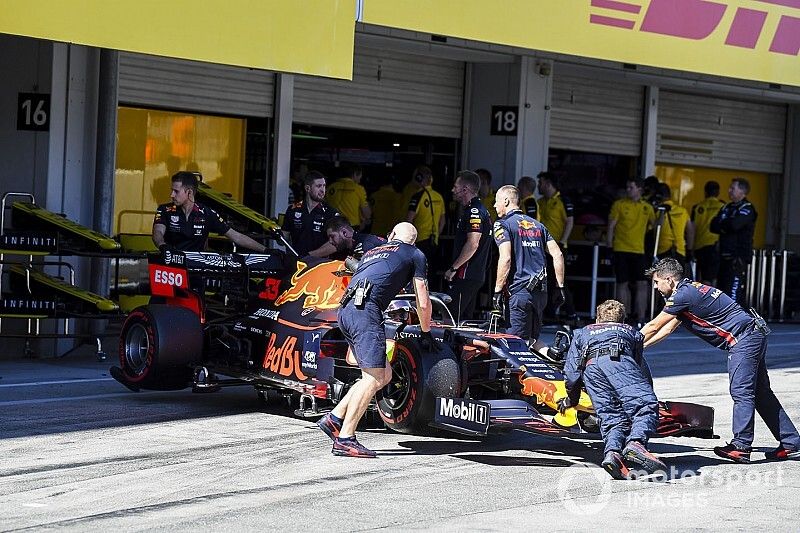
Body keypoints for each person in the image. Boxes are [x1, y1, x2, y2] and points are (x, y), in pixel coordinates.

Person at [641, 257, 800, 463]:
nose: (655, 287)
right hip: (752, 334)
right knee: (761, 394)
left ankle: (741, 446)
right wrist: (640, 347)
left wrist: (628, 342)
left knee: (742, 392)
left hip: (743, 339)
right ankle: (790, 443)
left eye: (656, 282)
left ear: (669, 279)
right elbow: (668, 328)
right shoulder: (690, 290)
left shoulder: (683, 295)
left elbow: (654, 325)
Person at [316, 222, 437, 458]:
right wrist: (425, 331)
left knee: (384, 374)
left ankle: (334, 418)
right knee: (373, 377)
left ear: (391, 235)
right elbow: (422, 301)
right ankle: (345, 438)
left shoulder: (373, 252)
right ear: (414, 240)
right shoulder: (415, 253)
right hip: (365, 312)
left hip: (345, 311)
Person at [559, 299, 665, 479]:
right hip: (620, 361)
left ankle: (613, 454)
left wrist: (572, 400)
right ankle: (636, 443)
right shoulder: (631, 332)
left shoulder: (582, 333)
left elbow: (571, 373)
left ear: (597, 319)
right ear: (622, 320)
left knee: (611, 417)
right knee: (646, 406)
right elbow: (640, 367)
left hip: (592, 370)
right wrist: (649, 394)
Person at [492, 185, 565, 352]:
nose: (495, 206)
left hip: (519, 292)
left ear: (506, 201)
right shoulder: (538, 226)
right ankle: (555, 359)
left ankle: (516, 377)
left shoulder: (502, 225)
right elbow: (558, 255)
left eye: (496, 202)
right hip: (541, 293)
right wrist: (560, 287)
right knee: (533, 341)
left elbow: (506, 257)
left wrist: (497, 291)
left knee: (516, 344)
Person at [152, 171, 267, 253]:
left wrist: (265, 249)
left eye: (176, 191)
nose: (171, 195)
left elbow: (236, 236)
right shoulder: (164, 210)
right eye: (172, 190)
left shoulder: (207, 213)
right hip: (170, 268)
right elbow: (158, 232)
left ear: (189, 192)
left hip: (196, 269)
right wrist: (162, 245)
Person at [444, 170, 492, 322]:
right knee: (464, 321)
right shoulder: (476, 210)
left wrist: (454, 268)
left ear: (465, 189)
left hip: (466, 274)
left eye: (455, 186)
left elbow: (472, 244)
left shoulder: (474, 212)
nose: (453, 190)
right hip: (473, 274)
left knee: (449, 318)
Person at [607, 178, 656, 326]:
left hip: (639, 251)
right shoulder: (619, 204)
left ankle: (641, 317)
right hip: (621, 249)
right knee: (622, 283)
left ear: (640, 189)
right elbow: (611, 226)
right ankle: (624, 316)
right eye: (627, 187)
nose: (628, 190)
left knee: (642, 284)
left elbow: (654, 226)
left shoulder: (647, 207)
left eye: (631, 187)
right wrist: (609, 246)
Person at [710, 177, 757, 306]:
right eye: (729, 188)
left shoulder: (747, 208)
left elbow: (735, 225)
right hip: (722, 256)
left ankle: (736, 322)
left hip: (737, 257)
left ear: (742, 191)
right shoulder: (726, 207)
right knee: (720, 291)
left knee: (733, 293)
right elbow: (713, 226)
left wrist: (724, 225)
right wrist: (727, 225)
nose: (729, 191)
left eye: (733, 188)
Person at [537, 172, 577, 321]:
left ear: (548, 183)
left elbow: (570, 221)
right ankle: (549, 314)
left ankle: (571, 313)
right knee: (544, 281)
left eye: (540, 183)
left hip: (558, 247)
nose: (539, 186)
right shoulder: (540, 202)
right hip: (541, 248)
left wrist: (562, 241)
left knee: (560, 281)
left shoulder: (563, 200)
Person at [281, 170, 340, 258]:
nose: (323, 190)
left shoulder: (330, 212)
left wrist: (309, 256)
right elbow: (283, 238)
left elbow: (336, 243)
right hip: (295, 263)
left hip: (320, 264)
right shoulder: (292, 209)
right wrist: (275, 231)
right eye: (319, 186)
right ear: (307, 188)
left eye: (324, 186)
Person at [406, 167, 445, 262]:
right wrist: (436, 234)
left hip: (420, 240)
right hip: (434, 241)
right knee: (431, 270)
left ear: (418, 178)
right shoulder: (439, 196)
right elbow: (442, 221)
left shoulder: (417, 196)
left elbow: (409, 219)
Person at [691, 180, 725, 285]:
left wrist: (690, 249)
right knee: (711, 278)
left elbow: (692, 228)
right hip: (715, 247)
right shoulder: (723, 206)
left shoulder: (697, 207)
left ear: (705, 192)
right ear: (718, 192)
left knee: (702, 276)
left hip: (699, 246)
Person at [654, 183, 694, 264]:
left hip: (663, 251)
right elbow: (690, 232)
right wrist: (689, 250)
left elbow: (656, 229)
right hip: (679, 251)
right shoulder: (683, 211)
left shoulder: (659, 211)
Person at [326, 163, 371, 230]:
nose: (360, 180)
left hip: (332, 226)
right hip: (351, 227)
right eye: (360, 176)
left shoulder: (331, 187)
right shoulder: (358, 189)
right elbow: (366, 213)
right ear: (355, 174)